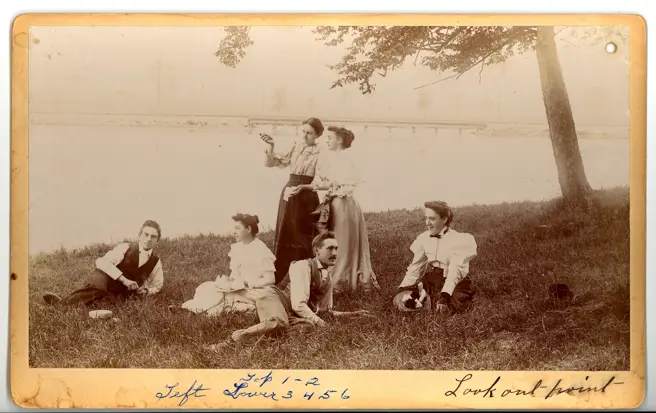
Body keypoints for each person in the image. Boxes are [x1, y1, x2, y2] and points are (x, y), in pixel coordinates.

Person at [207, 231, 372, 350]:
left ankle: (264, 341)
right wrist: (323, 325)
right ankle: (233, 340)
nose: (335, 253)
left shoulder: (327, 277)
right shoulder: (302, 266)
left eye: (336, 248)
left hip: (290, 312)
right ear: (316, 251)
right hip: (272, 297)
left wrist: (353, 314)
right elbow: (299, 305)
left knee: (306, 327)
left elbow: (324, 311)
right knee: (279, 322)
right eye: (330, 249)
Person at [298, 126, 380, 293]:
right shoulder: (334, 159)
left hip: (344, 204)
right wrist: (305, 187)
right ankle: (336, 279)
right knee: (337, 239)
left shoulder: (347, 157)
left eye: (330, 137)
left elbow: (350, 183)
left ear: (339, 140)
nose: (327, 140)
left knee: (342, 241)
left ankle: (341, 281)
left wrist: (334, 192)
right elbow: (329, 183)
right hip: (336, 203)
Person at [42, 220, 164, 306]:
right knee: (98, 289)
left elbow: (157, 286)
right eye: (146, 234)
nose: (148, 239)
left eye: (153, 236)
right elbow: (102, 262)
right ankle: (61, 304)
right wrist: (124, 280)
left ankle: (74, 303)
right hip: (103, 276)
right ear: (139, 235)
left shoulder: (156, 262)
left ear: (157, 240)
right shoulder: (125, 247)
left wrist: (147, 291)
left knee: (108, 302)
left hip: (118, 290)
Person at [261, 117, 324, 284]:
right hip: (290, 192)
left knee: (303, 233)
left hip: (307, 194)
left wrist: (306, 187)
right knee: (287, 230)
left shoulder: (321, 152)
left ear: (318, 135)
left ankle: (305, 275)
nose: (305, 136)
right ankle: (282, 274)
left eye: (309, 133)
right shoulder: (295, 146)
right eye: (303, 131)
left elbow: (322, 178)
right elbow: (273, 162)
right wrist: (271, 145)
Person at [178, 213, 276, 316]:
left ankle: (194, 311)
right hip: (240, 288)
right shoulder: (237, 248)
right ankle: (195, 309)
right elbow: (235, 274)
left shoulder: (262, 251)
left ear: (248, 229)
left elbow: (270, 280)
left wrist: (248, 283)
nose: (234, 232)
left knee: (225, 296)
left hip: (256, 291)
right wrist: (229, 281)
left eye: (237, 228)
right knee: (206, 287)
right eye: (234, 228)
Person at [393, 201, 477, 314]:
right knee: (403, 299)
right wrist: (402, 288)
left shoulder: (458, 240)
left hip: (454, 281)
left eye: (432, 219)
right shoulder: (424, 238)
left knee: (444, 307)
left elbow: (455, 271)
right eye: (426, 218)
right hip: (432, 279)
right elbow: (416, 267)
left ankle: (438, 301)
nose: (428, 223)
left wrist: (445, 295)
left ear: (445, 219)